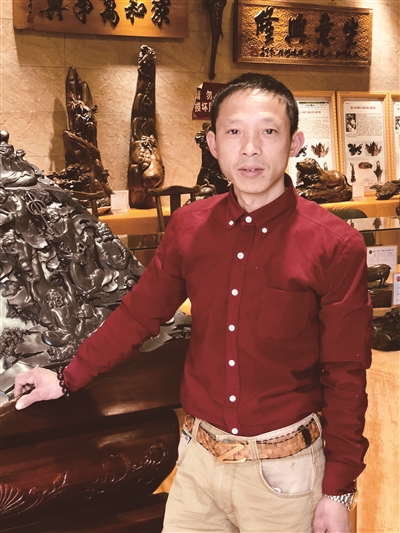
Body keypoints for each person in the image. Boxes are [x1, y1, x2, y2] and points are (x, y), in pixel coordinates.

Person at [14, 73, 372, 533]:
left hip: (285, 474)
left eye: (268, 131)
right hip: (199, 466)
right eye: (234, 131)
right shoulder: (189, 227)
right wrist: (65, 379)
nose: (250, 149)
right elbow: (138, 315)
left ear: (295, 142)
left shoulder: (335, 244)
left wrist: (338, 491)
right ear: (213, 144)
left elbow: (345, 373)